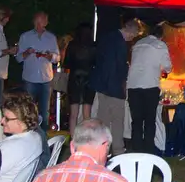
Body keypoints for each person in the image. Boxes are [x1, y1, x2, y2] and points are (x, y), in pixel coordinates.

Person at [88, 16, 136, 155]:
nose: (131, 39)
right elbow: (117, 67)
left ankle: (99, 149)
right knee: (117, 121)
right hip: (113, 87)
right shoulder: (120, 43)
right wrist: (121, 87)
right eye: (132, 36)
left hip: (102, 85)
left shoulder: (108, 37)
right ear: (129, 31)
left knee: (102, 120)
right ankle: (118, 151)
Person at [125, 22, 171, 153]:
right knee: (150, 121)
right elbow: (167, 66)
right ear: (160, 36)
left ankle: (136, 151)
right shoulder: (160, 45)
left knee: (136, 121)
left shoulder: (138, 44)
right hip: (150, 86)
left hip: (133, 86)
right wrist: (163, 69)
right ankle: (148, 152)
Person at [16, 11, 60, 109]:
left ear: (46, 23)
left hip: (46, 79)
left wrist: (50, 56)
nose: (38, 25)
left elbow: (57, 58)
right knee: (28, 110)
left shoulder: (51, 38)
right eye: (36, 22)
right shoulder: (25, 36)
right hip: (30, 79)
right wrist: (27, 52)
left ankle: (43, 124)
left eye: (41, 22)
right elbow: (18, 58)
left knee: (45, 111)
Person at [63, 20, 97, 130]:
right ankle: (86, 139)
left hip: (74, 78)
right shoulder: (94, 46)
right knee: (87, 114)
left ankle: (73, 139)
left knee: (73, 114)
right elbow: (97, 63)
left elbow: (66, 63)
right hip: (89, 79)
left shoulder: (72, 45)